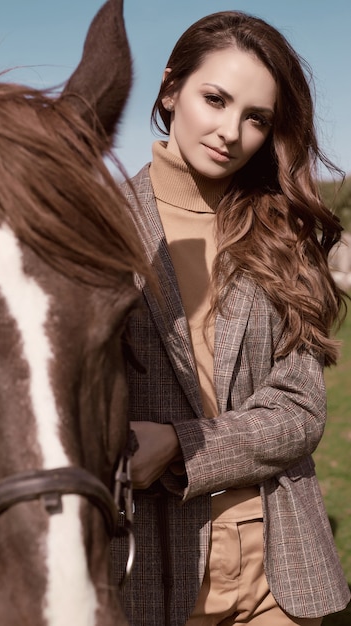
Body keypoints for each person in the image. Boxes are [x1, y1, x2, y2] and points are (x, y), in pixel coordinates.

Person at [111, 10, 351, 626]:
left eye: (256, 118)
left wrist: (182, 445)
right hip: (149, 572)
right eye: (214, 99)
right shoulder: (99, 229)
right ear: (170, 90)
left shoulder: (281, 235)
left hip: (282, 567)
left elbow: (299, 411)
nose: (229, 132)